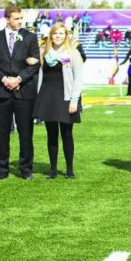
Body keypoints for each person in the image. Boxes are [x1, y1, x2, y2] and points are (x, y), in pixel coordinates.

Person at [0, 5, 41, 180]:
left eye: (21, 18)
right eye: (16, 18)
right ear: (7, 19)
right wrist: (4, 79)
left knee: (26, 133)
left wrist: (18, 79)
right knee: (2, 134)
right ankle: (2, 170)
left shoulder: (30, 37)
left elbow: (35, 63)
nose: (20, 21)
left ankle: (26, 169)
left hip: (24, 92)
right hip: (2, 92)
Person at [34, 23, 83, 179]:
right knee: (51, 134)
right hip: (47, 97)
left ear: (66, 36)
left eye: (61, 34)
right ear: (51, 35)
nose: (58, 36)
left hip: (66, 98)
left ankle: (69, 170)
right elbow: (40, 75)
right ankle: (53, 170)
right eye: (55, 33)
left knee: (67, 134)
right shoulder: (44, 52)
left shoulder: (73, 53)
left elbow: (78, 78)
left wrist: (74, 100)